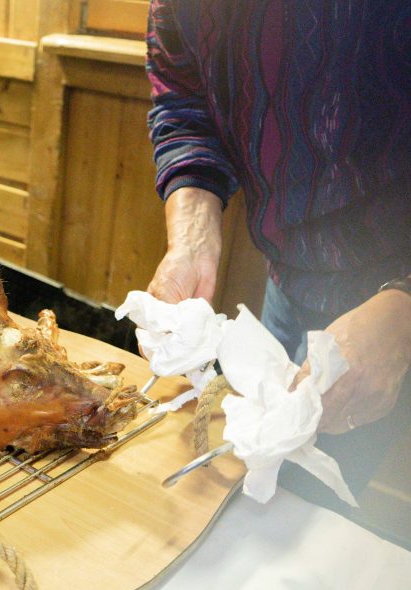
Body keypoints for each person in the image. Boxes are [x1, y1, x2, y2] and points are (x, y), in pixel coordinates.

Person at [144, 1, 411, 510]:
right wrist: (193, 235)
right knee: (266, 499)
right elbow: (184, 98)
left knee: (333, 520)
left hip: (396, 293)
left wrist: (403, 312)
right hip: (291, 279)